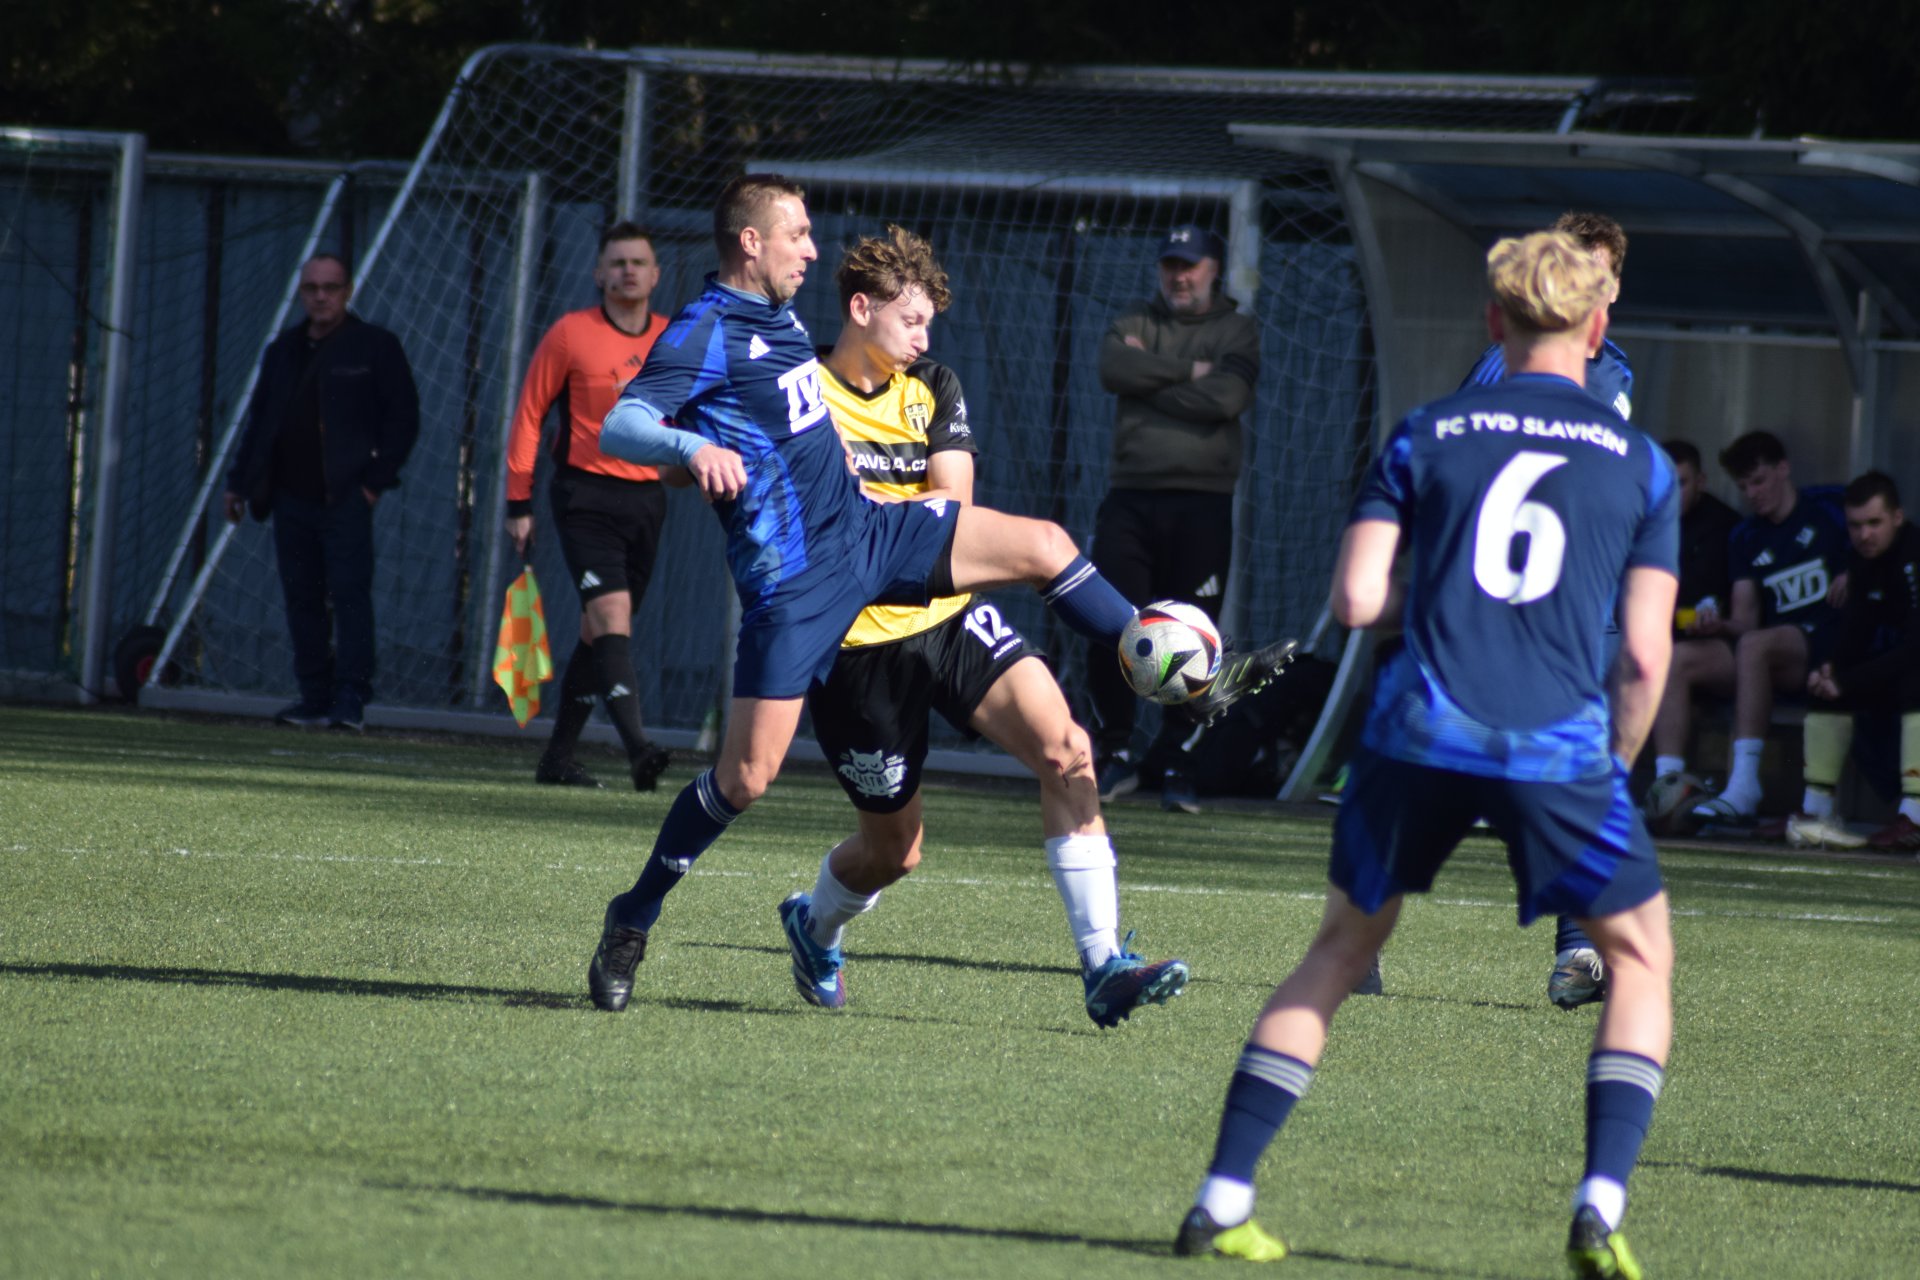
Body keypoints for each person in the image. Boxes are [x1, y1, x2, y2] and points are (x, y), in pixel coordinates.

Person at [581, 175, 1293, 1014]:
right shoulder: (707, 328)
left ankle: (1181, 690)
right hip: (804, 587)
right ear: (750, 242)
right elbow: (622, 425)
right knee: (747, 778)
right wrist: (691, 449)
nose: (811, 248)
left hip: (874, 535)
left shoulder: (784, 320)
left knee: (1046, 550)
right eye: (797, 234)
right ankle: (633, 916)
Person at [1173, 231, 1678, 1280]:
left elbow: (1358, 600)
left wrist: (1444, 592)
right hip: (1556, 741)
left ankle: (1223, 1196)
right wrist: (1615, 768)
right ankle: (1598, 1205)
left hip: (1420, 729)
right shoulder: (1641, 461)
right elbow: (1641, 653)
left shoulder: (1428, 431)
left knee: (1337, 954)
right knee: (1638, 960)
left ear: (1494, 322)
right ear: (1598, 326)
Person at [778, 225, 1188, 1025]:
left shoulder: (932, 385)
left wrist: (867, 507)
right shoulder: (804, 395)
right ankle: (814, 923)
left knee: (1068, 750)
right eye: (910, 320)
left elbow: (951, 511)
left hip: (947, 615)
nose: (924, 337)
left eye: (929, 322)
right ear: (859, 309)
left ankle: (1104, 965)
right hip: (858, 650)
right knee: (895, 853)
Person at [1088, 224, 1261, 815]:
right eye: (1170, 264)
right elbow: (1114, 369)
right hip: (1130, 499)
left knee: (1195, 633)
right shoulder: (1134, 320)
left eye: (1190, 265)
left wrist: (1150, 380)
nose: (1179, 276)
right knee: (1110, 621)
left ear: (1214, 269)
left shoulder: (1236, 330)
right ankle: (1113, 751)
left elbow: (1227, 399)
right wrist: (1191, 372)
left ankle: (1176, 760)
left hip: (1202, 504)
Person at [503, 221, 674, 791]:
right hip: (585, 497)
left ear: (655, 274)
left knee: (597, 631)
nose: (628, 271)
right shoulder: (570, 334)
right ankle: (639, 750)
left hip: (648, 501)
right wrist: (518, 500)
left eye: (638, 262)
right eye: (617, 262)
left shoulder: (673, 339)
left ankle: (557, 759)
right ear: (599, 274)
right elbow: (529, 415)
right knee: (611, 617)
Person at [223, 253, 419, 732]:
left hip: (345, 498)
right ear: (301, 291)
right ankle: (314, 695)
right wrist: (240, 483)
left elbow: (404, 419)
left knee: (350, 595)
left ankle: (350, 697)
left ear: (347, 291)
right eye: (312, 288)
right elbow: (261, 422)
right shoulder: (283, 350)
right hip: (290, 497)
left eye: (330, 287)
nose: (321, 297)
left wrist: (372, 484)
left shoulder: (374, 347)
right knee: (301, 597)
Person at [1673, 431, 1848, 826]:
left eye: (1759, 480)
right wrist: (1718, 625)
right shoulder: (1747, 536)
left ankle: (1743, 786)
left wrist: (1854, 569)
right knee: (1683, 657)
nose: (1752, 493)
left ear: (1783, 469)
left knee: (1755, 645)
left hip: (1830, 647)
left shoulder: (1829, 506)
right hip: (1777, 655)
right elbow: (1746, 621)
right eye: (1744, 486)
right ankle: (1667, 784)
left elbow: (1878, 535)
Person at [1782, 471, 1920, 852]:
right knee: (1825, 689)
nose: (1864, 535)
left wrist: (1847, 678)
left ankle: (1915, 816)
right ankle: (1817, 811)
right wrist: (1830, 671)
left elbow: (1915, 647)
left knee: (1916, 682)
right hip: (1903, 662)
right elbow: (1855, 632)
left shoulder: (1914, 554)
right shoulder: (1860, 561)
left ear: (1897, 517)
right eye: (1856, 526)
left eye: (1874, 523)